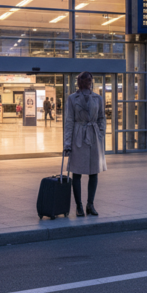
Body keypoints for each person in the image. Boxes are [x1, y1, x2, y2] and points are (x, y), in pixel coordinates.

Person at [63, 71, 106, 217]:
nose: (88, 82)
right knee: (77, 172)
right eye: (85, 80)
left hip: (94, 136)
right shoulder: (72, 98)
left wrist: (100, 133)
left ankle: (90, 204)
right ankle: (79, 206)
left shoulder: (98, 98)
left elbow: (102, 118)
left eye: (90, 80)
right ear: (79, 82)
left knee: (94, 172)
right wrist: (67, 143)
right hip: (78, 137)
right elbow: (69, 121)